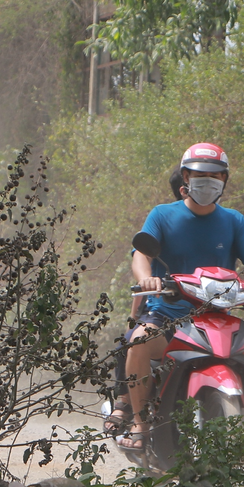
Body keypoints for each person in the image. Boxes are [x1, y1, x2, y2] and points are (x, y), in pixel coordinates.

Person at [118, 143, 244, 453]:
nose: (208, 181)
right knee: (140, 339)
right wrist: (146, 279)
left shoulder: (234, 220)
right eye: (200, 175)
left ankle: (243, 421)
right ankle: (140, 423)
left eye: (216, 175)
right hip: (168, 317)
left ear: (225, 180)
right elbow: (141, 255)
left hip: (218, 318)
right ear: (185, 177)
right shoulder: (163, 215)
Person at [104, 165, 187, 435]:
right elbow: (142, 269)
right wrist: (135, 315)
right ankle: (125, 401)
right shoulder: (166, 221)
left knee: (131, 334)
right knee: (132, 337)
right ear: (184, 189)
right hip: (163, 309)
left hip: (198, 314)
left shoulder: (218, 223)